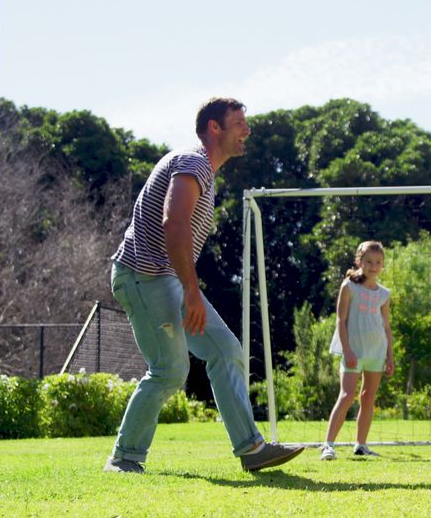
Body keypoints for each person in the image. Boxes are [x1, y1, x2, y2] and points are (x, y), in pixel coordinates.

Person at [104, 98, 304, 473]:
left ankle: (252, 448)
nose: (247, 130)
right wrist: (192, 292)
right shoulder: (193, 162)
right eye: (240, 123)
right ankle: (124, 458)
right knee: (169, 371)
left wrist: (187, 290)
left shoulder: (205, 174)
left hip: (169, 280)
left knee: (226, 350)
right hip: (143, 275)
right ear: (215, 127)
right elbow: (173, 224)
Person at [320, 241, 395, 460]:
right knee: (346, 395)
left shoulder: (384, 294)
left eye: (378, 262)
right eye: (369, 261)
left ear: (382, 265)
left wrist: (390, 356)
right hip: (353, 352)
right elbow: (340, 321)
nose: (373, 266)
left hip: (376, 353)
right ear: (359, 261)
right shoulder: (349, 286)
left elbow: (387, 327)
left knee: (368, 398)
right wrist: (348, 351)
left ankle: (361, 445)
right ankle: (328, 445)